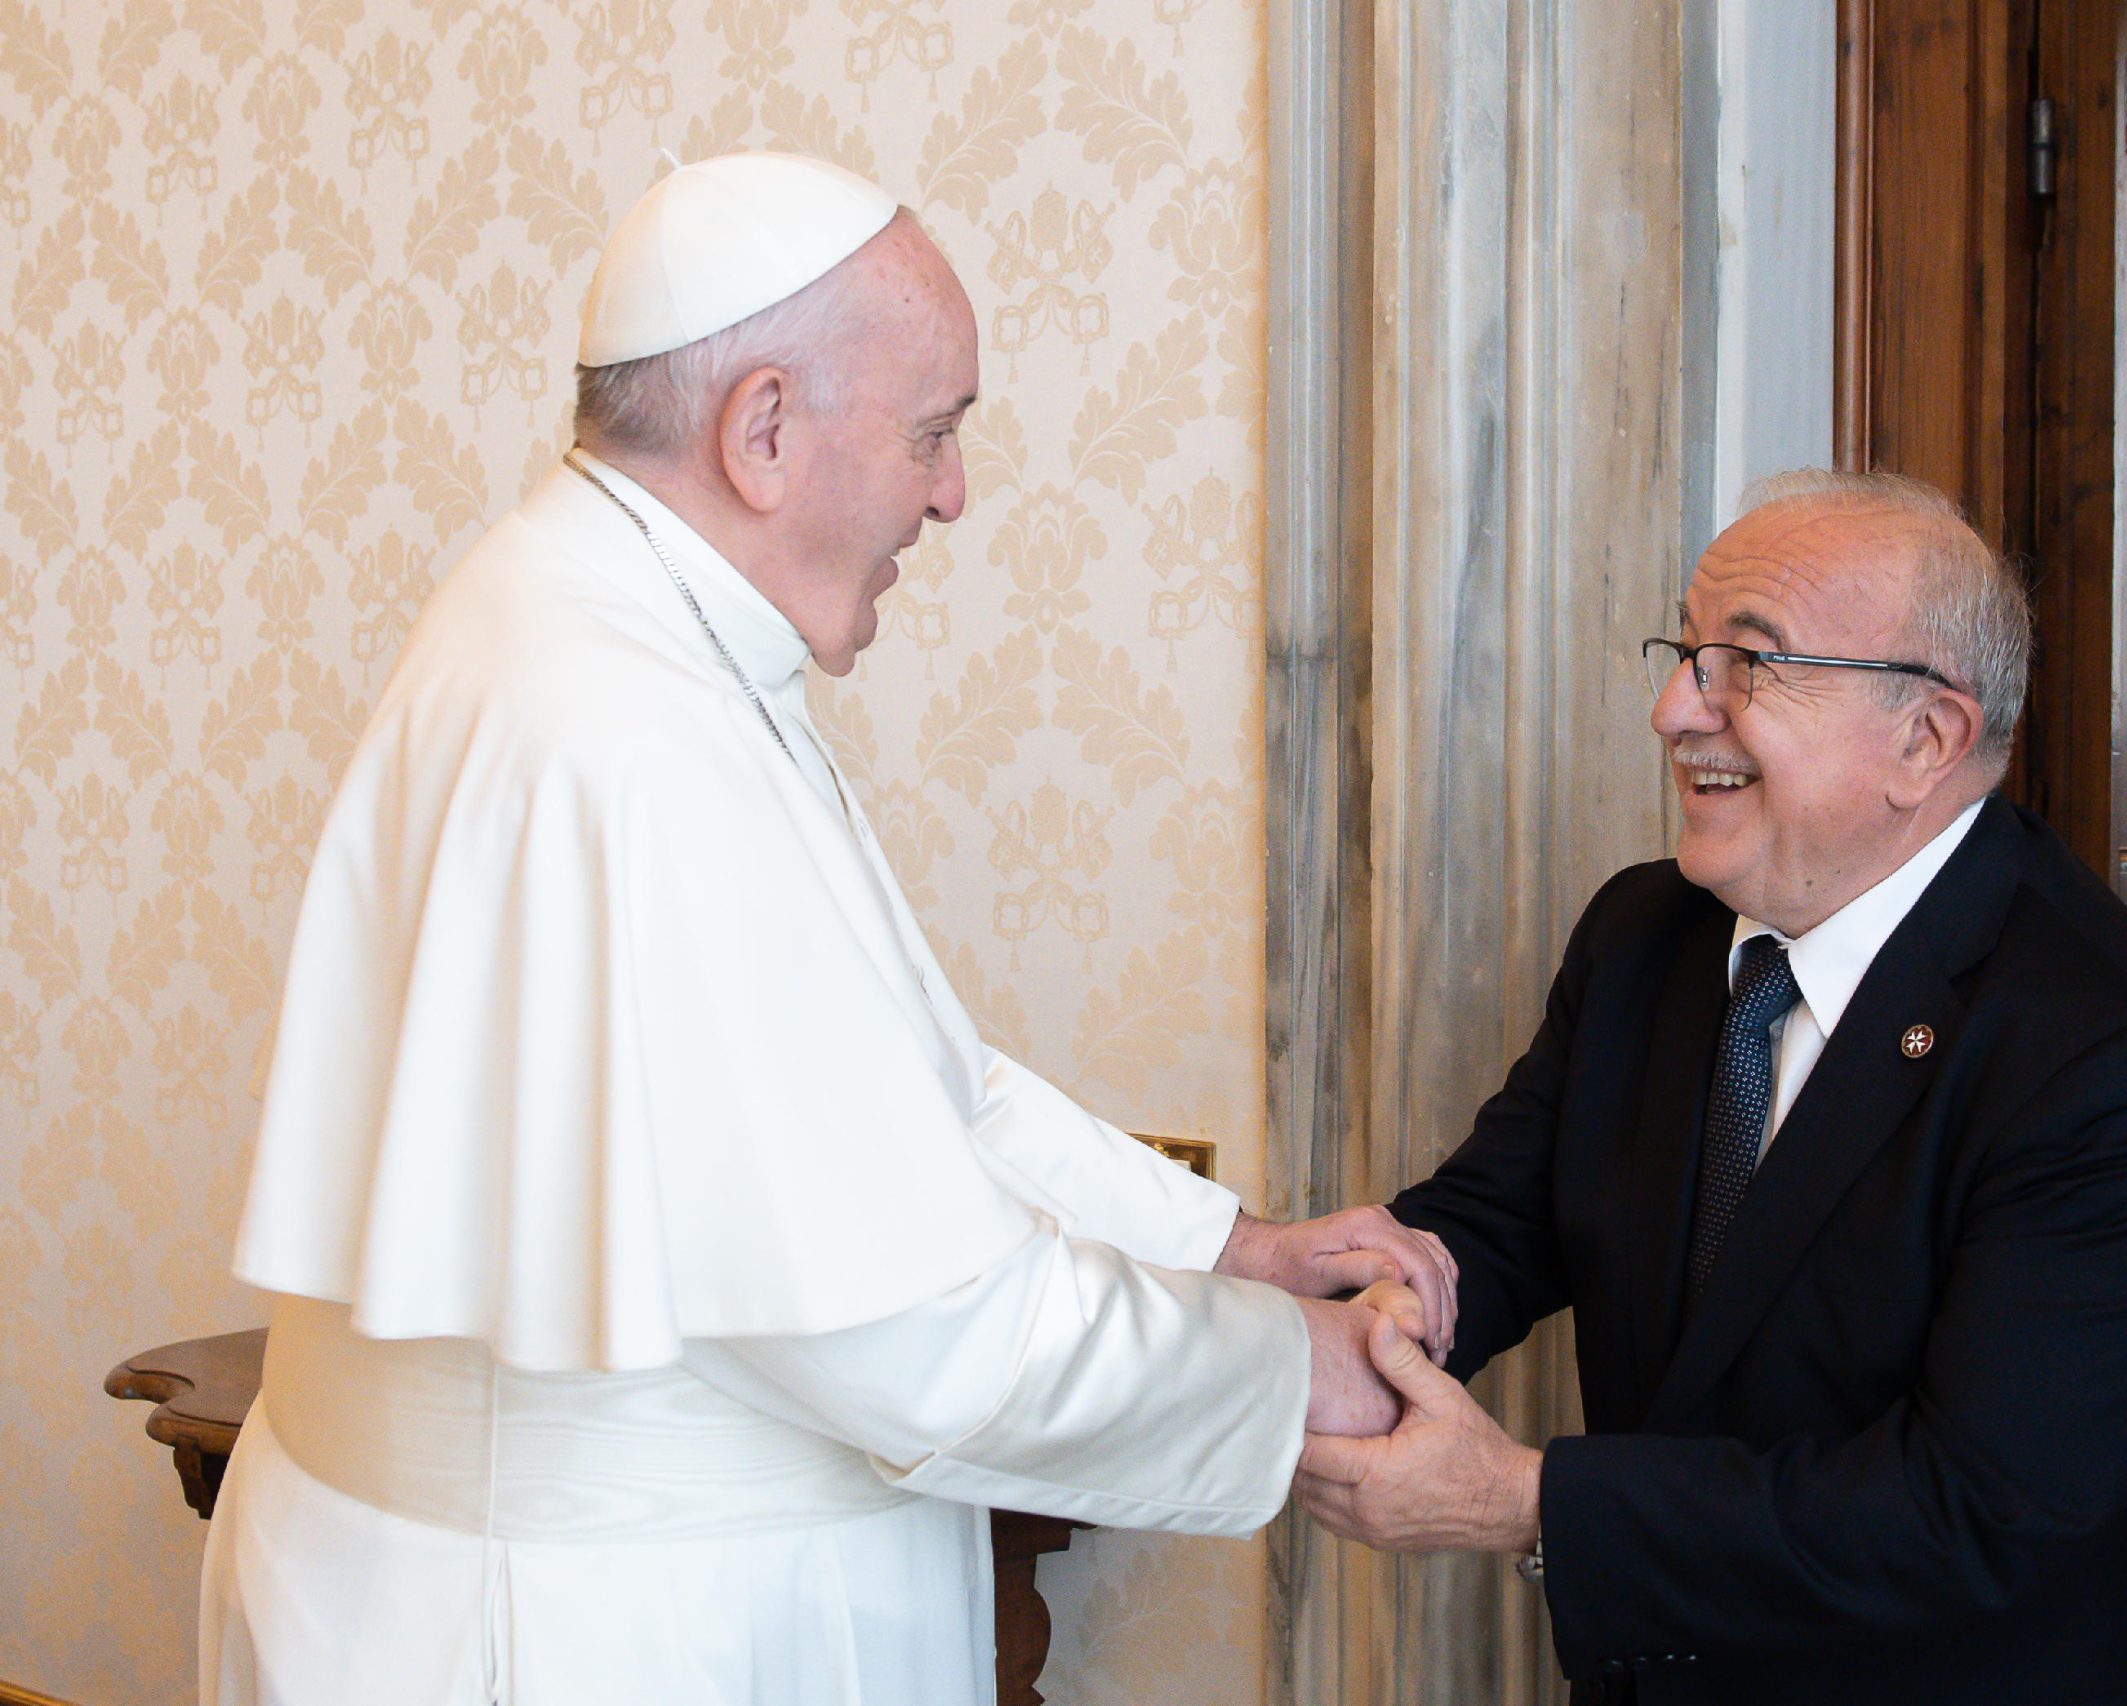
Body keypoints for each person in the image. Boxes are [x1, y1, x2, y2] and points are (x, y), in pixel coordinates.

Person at [202, 152, 1452, 1706]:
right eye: (934, 433)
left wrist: (1223, 1247)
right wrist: (1294, 1374)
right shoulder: (629, 725)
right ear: (767, 429)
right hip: (597, 1640)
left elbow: (919, 1080)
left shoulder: (614, 623)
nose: (954, 493)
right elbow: (930, 1337)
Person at [1294, 470, 2127, 1705]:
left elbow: (1967, 1507)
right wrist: (1388, 1308)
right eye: (1682, 651)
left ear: (1926, 740)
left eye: (1742, 666)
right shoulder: (1645, 931)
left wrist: (1525, 1499)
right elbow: (1508, 1212)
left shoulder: (2113, 1055)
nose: (1670, 709)